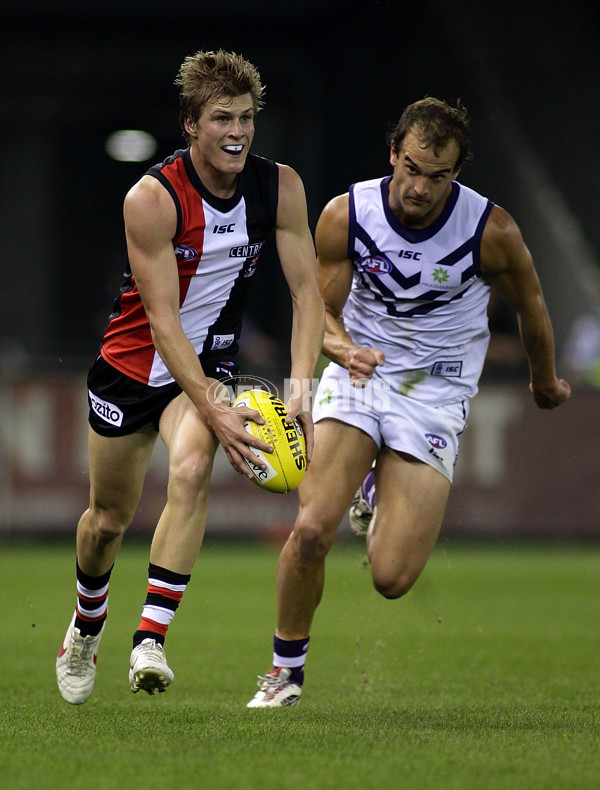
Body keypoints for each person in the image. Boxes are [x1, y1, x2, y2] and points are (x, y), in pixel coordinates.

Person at [247, 97, 571, 707]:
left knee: (392, 579)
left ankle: (371, 491)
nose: (420, 186)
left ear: (458, 172)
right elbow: (317, 312)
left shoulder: (490, 231)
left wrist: (544, 381)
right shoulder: (348, 215)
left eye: (438, 175)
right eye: (412, 167)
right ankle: (284, 673)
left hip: (436, 391)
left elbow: (532, 307)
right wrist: (342, 352)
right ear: (393, 152)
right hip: (359, 377)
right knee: (313, 529)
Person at [56, 49, 324, 705]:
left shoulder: (279, 187)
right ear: (190, 124)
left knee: (192, 464)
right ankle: (87, 623)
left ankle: (150, 638)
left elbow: (308, 293)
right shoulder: (151, 199)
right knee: (106, 521)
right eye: (221, 119)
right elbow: (162, 319)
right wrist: (213, 403)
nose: (237, 133)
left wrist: (300, 387)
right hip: (130, 367)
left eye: (246, 118)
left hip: (205, 368)